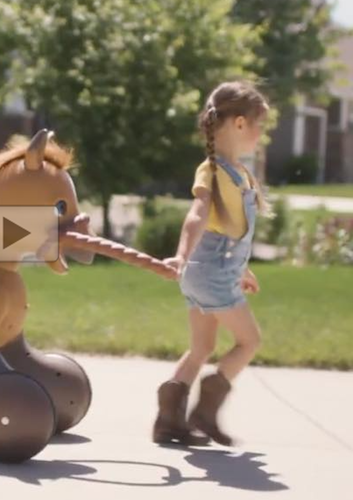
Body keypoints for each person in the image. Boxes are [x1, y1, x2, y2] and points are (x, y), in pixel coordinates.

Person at [153, 81, 271, 446]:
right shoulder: (213, 170)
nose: (260, 134)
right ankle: (204, 411)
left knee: (201, 349)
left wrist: (242, 269)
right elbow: (198, 215)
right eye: (258, 125)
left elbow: (228, 228)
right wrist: (181, 253)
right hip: (209, 270)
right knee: (249, 341)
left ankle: (168, 420)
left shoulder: (238, 172)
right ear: (238, 123)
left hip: (207, 272)